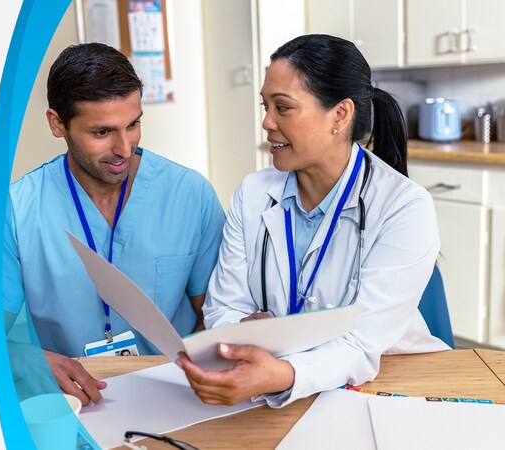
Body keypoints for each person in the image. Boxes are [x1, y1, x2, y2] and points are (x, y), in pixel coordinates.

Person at [176, 34, 451, 408]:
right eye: (265, 105)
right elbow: (222, 308)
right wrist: (244, 337)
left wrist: (281, 369)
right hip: (277, 385)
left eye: (283, 107)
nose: (266, 122)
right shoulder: (253, 193)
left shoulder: (404, 206)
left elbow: (361, 344)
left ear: (340, 115)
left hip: (385, 385)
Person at [3, 42, 226, 406]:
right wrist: (25, 358)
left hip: (176, 396)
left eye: (133, 124)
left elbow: (215, 318)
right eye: (102, 132)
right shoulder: (17, 209)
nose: (125, 148)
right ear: (58, 124)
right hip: (78, 402)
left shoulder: (191, 194)